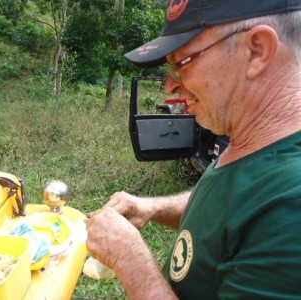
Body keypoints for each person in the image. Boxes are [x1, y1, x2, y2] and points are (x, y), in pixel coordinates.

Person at [86, 0, 301, 299]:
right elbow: (229, 208)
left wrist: (130, 259)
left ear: (256, 50)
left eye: (181, 63)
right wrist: (154, 208)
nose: (170, 87)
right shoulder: (247, 138)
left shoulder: (291, 203)